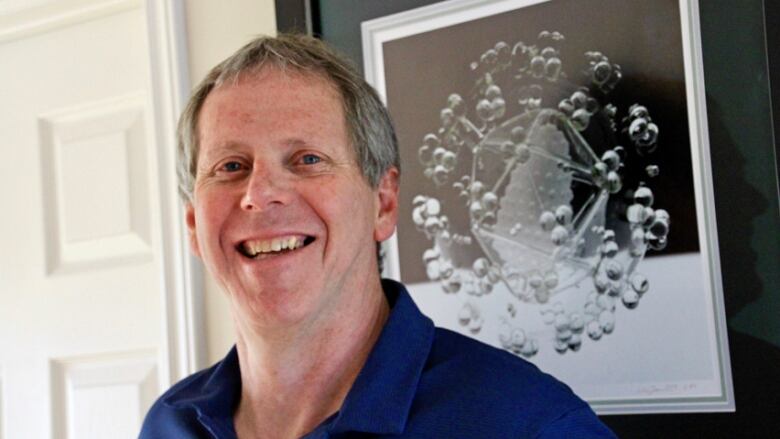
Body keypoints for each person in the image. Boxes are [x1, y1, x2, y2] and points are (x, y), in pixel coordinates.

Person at [140, 33, 615, 439]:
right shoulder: (170, 424)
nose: (259, 195)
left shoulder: (528, 424)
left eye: (307, 159)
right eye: (231, 167)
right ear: (195, 228)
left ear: (383, 203)